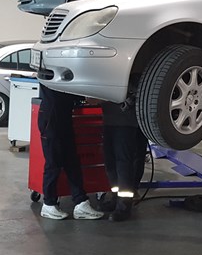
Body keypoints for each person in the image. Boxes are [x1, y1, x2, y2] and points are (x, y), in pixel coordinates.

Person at [38, 84, 103, 220]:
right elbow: (62, 85)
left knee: (72, 161)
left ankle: (81, 202)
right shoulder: (51, 72)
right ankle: (49, 203)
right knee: (53, 162)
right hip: (51, 117)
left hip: (63, 115)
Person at [99, 94, 148, 222]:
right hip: (109, 118)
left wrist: (128, 102)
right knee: (110, 162)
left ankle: (124, 205)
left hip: (126, 120)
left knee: (123, 163)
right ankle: (115, 198)